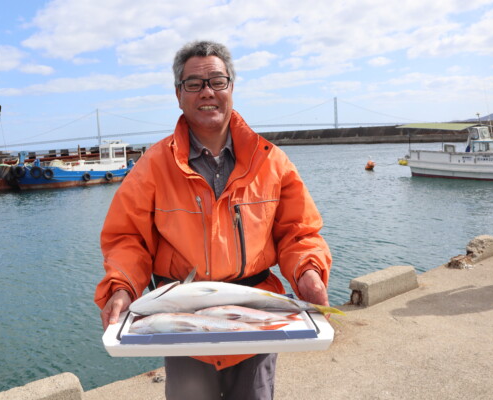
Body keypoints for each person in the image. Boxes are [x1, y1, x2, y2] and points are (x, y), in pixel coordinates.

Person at [95, 40, 332, 400]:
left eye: (217, 81)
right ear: (178, 94)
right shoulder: (152, 166)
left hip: (256, 318)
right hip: (183, 325)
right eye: (194, 84)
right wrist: (123, 287)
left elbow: (299, 233)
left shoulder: (272, 161)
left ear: (231, 88)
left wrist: (308, 272)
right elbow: (128, 238)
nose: (207, 92)